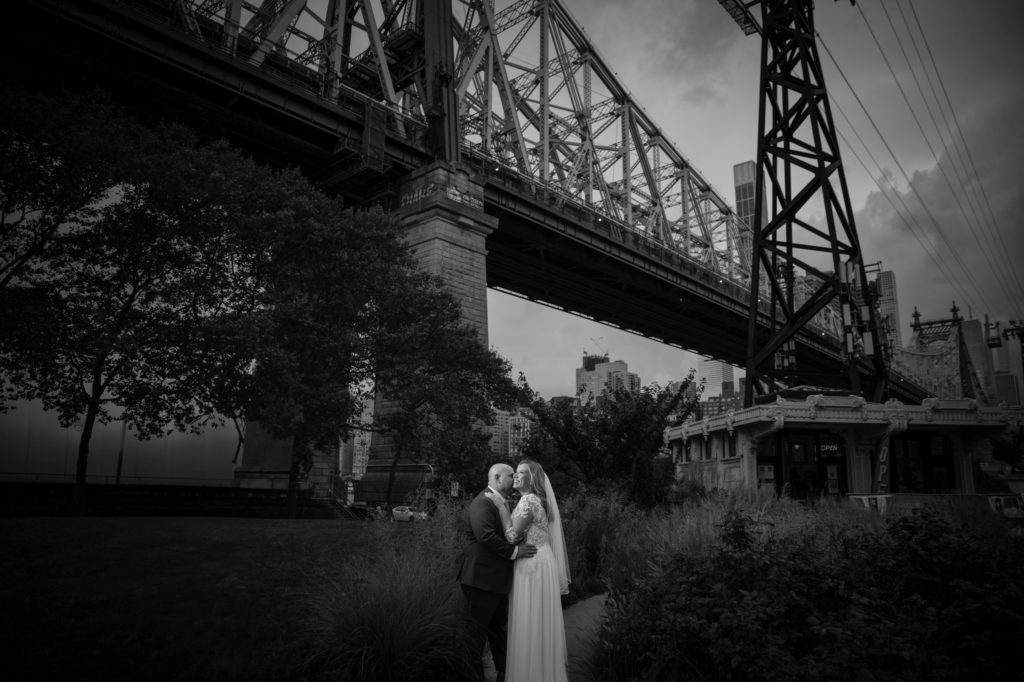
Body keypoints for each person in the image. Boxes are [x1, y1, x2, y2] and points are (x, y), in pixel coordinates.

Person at [458, 463, 538, 682]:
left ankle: (505, 673)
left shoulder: (501, 502)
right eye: (511, 475)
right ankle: (472, 676)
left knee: (499, 631)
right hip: (480, 580)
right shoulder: (483, 501)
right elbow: (485, 536)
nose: (514, 479)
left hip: (496, 581)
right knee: (475, 634)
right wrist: (515, 551)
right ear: (496, 477)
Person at [493, 458, 571, 682]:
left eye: (521, 472)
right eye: (515, 472)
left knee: (530, 620)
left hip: (531, 564)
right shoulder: (540, 501)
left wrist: (502, 510)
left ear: (532, 478)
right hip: (543, 559)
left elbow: (512, 537)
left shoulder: (528, 501)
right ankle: (543, 672)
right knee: (539, 619)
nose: (516, 475)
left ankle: (530, 674)